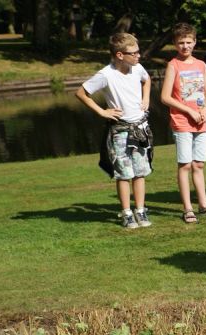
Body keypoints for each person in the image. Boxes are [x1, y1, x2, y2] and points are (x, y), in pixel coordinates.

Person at [75, 32, 153, 229]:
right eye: (133, 53)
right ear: (120, 55)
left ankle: (141, 211)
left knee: (140, 172)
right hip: (120, 131)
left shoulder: (137, 68)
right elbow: (81, 93)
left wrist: (146, 99)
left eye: (138, 52)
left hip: (140, 129)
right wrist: (102, 111)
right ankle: (127, 213)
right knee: (124, 173)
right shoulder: (106, 75)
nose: (138, 56)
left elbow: (147, 80)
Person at [161, 23, 206, 224]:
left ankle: (204, 204)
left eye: (189, 42)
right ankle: (188, 208)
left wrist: (205, 108)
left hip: (201, 121)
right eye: (181, 43)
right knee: (185, 165)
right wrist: (188, 110)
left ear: (195, 42)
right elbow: (165, 97)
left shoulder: (201, 65)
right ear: (174, 44)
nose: (185, 46)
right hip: (182, 121)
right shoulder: (173, 65)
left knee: (199, 164)